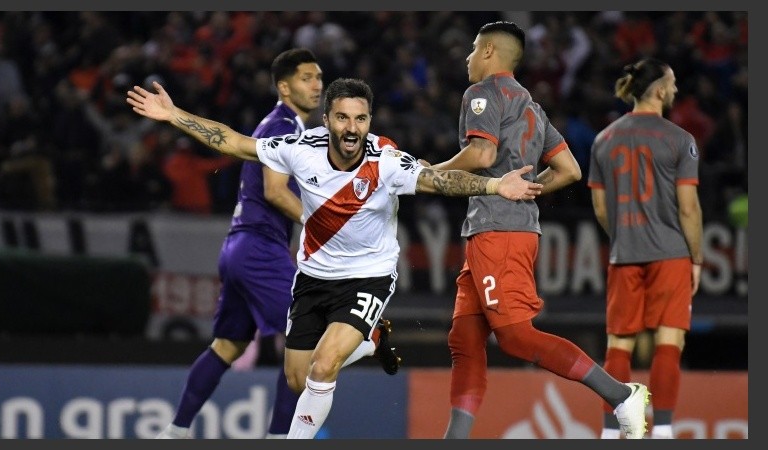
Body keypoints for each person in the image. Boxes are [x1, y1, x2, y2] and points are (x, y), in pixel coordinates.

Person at [127, 76, 544, 439]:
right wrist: (174, 115)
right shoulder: (298, 148)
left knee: (324, 365)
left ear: (369, 123)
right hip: (312, 279)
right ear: (326, 119)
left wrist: (493, 188)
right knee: (296, 377)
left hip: (368, 277)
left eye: (360, 120)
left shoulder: (386, 162)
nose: (352, 128)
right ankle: (370, 340)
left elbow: (439, 180)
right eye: (343, 118)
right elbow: (234, 142)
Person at [150, 49, 400, 440]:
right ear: (284, 87)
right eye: (306, 78)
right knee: (313, 345)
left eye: (319, 77)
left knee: (228, 345)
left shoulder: (288, 127)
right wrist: (328, 225)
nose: (316, 84)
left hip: (238, 246)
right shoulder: (284, 127)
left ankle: (175, 431)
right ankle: (282, 434)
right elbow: (273, 191)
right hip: (260, 250)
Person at [424, 21, 650, 439]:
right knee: (465, 337)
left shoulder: (482, 94)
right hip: (501, 231)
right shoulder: (531, 106)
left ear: (490, 51)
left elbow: (481, 152)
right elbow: (569, 170)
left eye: (474, 49)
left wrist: (430, 174)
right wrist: (527, 190)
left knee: (514, 337)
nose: (468, 58)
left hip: (498, 233)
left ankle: (621, 395)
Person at [588, 58, 703, 440]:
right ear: (657, 89)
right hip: (671, 254)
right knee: (669, 341)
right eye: (671, 82)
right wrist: (697, 258)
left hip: (625, 253)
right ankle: (664, 432)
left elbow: (601, 209)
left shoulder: (603, 140)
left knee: (619, 345)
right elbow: (688, 207)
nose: (675, 89)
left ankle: (609, 432)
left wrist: (624, 235)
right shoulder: (680, 139)